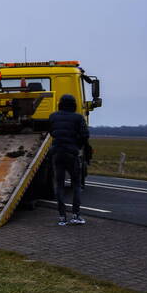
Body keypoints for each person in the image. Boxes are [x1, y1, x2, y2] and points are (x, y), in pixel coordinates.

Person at [49, 93, 90, 225]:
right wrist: (76, 145)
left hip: (56, 152)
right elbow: (85, 135)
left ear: (60, 104)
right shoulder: (78, 118)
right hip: (71, 153)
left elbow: (51, 132)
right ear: (73, 104)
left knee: (59, 184)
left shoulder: (53, 116)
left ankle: (62, 217)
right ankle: (76, 215)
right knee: (76, 184)